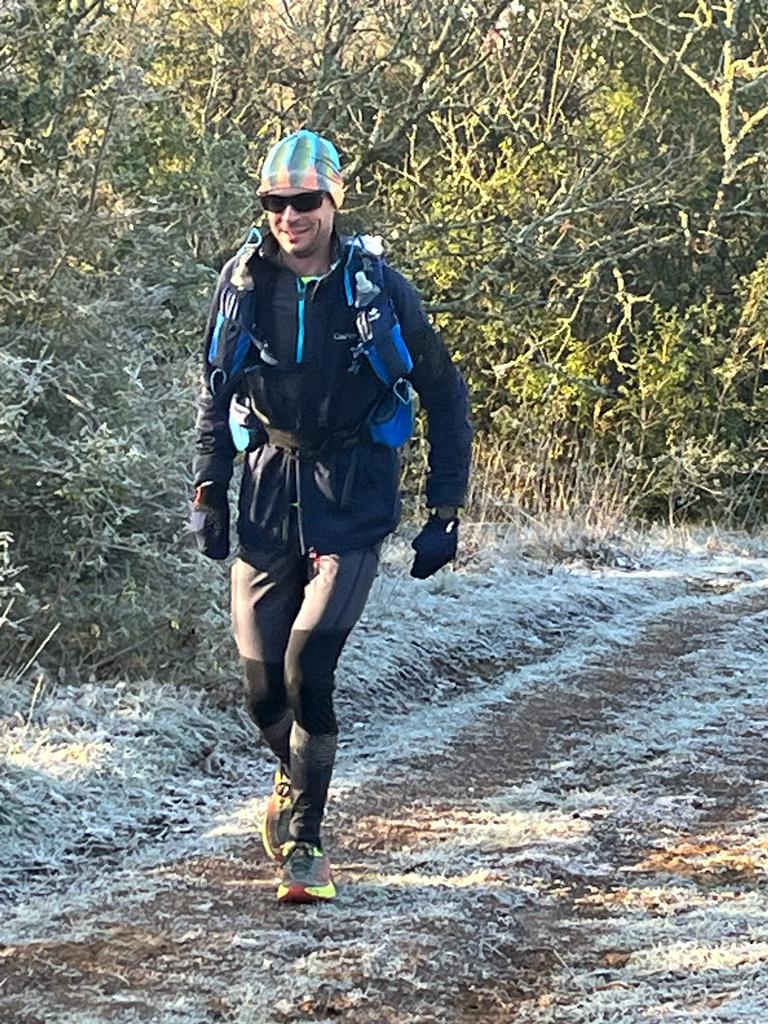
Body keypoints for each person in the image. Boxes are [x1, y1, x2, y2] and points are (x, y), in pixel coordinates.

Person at [191, 129, 472, 904]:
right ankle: (294, 778)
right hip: (266, 494)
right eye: (275, 202)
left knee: (308, 670)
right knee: (262, 693)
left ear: (333, 199)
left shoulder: (378, 288)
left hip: (352, 498)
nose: (290, 215)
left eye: (305, 200)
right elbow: (215, 392)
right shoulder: (242, 284)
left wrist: (445, 508)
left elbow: (445, 391)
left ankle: (306, 845)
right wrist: (208, 489)